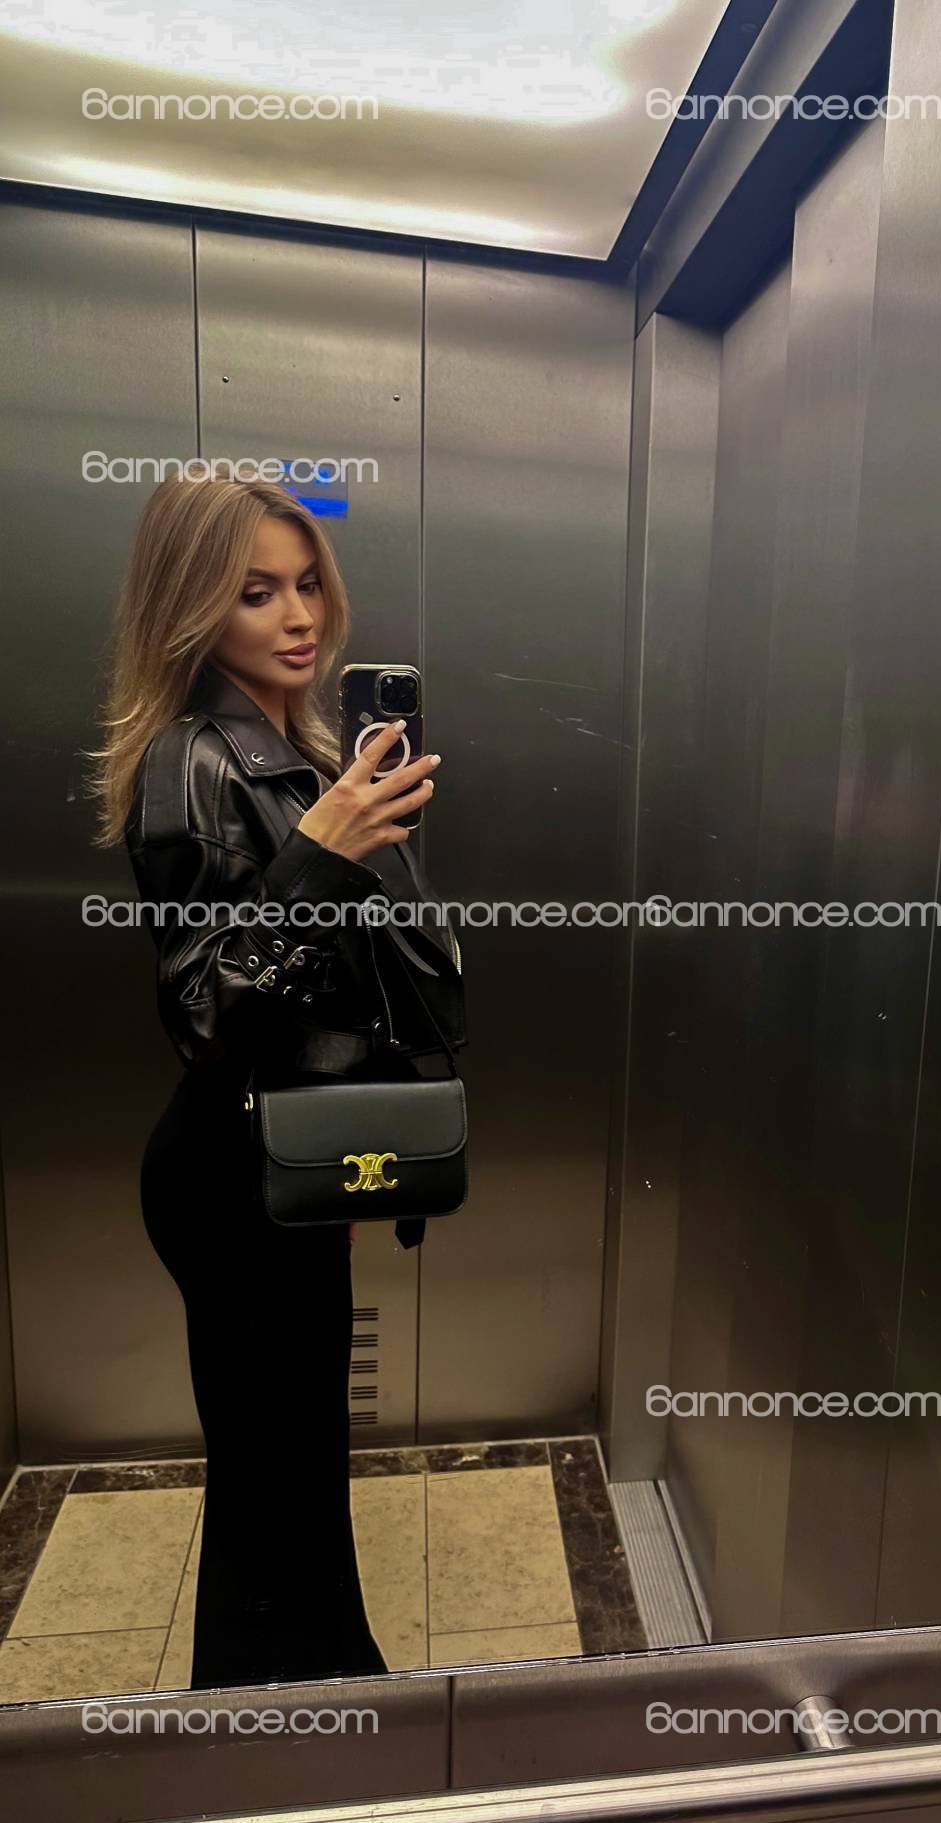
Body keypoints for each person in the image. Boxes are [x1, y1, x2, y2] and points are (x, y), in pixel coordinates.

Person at [86, 475, 465, 1688]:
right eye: (255, 593)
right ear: (191, 606)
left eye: (306, 584)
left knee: (294, 1467)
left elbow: (405, 981)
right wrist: (318, 857)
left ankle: (327, 1688)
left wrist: (362, 848)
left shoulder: (293, 751)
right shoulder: (192, 759)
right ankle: (266, 1720)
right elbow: (204, 1010)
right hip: (230, 1173)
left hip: (286, 1155)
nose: (297, 616)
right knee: (272, 1480)